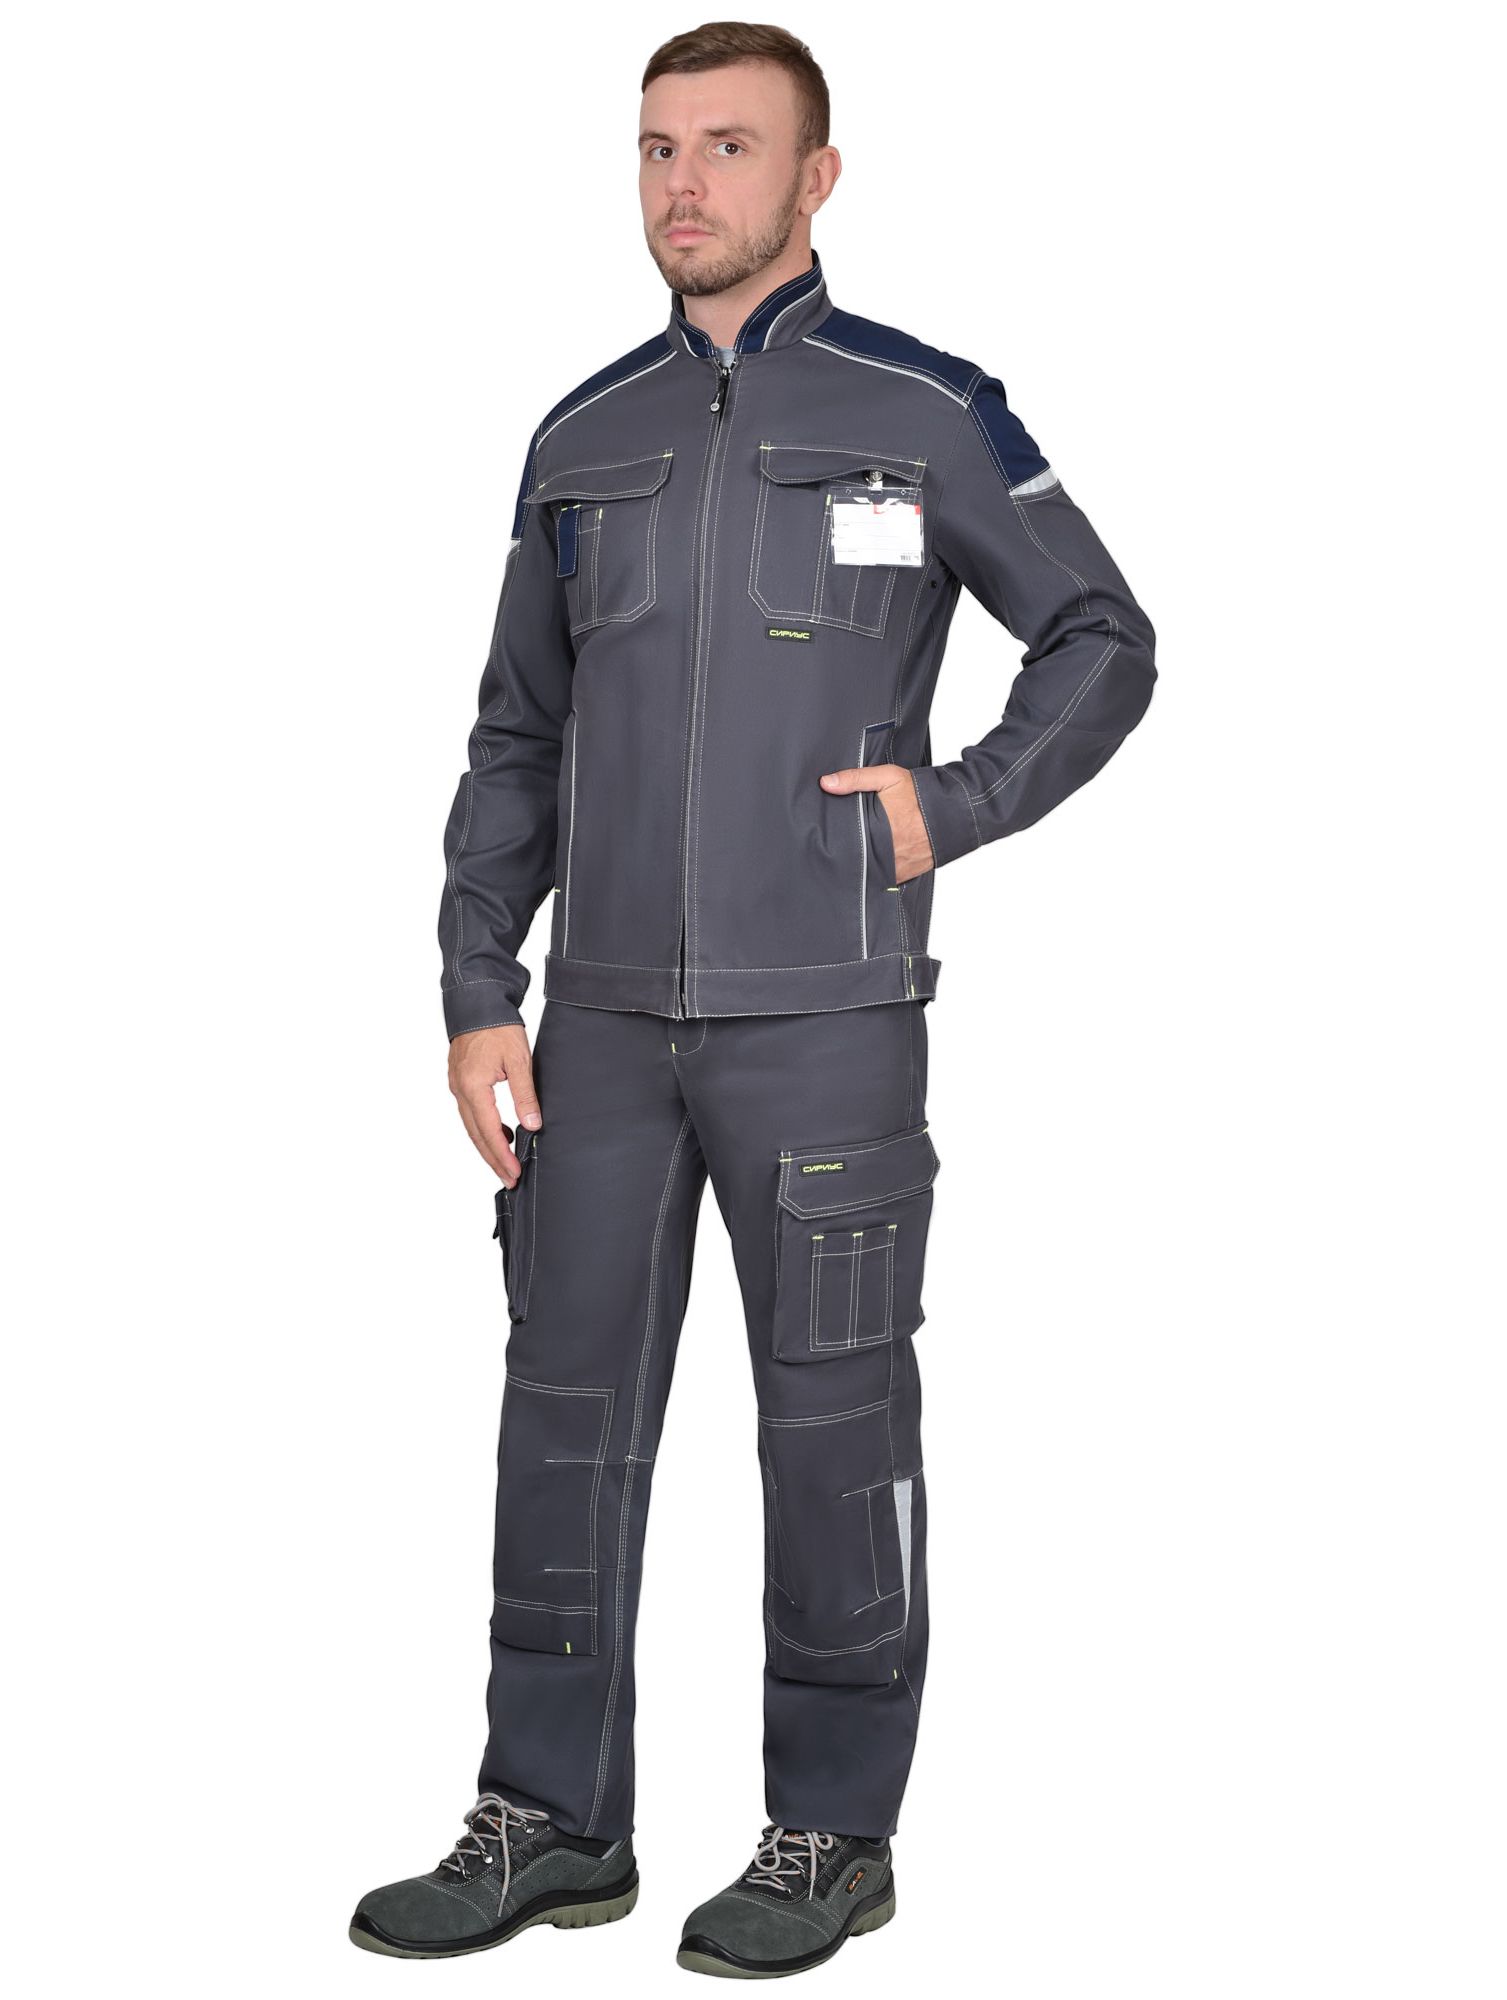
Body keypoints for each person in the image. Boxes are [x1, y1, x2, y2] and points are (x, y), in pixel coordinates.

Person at [350, 18, 1156, 1978]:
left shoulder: (926, 408)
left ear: (818, 177)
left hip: (830, 1020)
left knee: (834, 1425)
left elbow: (1102, 635)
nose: (683, 184)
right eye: (655, 148)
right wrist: (477, 987)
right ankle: (553, 1818)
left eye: (727, 146)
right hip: (601, 1029)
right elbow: (515, 733)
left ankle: (830, 1833)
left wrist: (956, 804)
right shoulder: (580, 438)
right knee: (561, 1421)